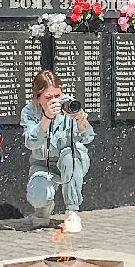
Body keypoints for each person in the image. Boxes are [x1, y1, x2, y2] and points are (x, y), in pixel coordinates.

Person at [21, 71, 94, 233]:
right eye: (48, 97)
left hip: (72, 161)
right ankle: (43, 210)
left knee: (69, 155)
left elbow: (87, 138)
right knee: (38, 194)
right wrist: (46, 117)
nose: (54, 101)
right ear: (37, 97)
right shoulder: (29, 111)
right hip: (43, 164)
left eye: (57, 95)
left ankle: (72, 211)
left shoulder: (69, 105)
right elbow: (32, 142)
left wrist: (82, 121)